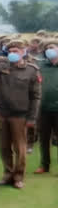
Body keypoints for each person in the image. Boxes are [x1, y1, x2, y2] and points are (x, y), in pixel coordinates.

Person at [0, 39, 41, 189]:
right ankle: (7, 174)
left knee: (20, 148)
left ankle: (18, 176)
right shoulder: (2, 67)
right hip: (3, 113)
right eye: (10, 51)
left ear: (23, 52)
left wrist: (32, 117)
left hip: (20, 115)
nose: (12, 54)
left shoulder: (31, 70)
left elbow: (35, 96)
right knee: (4, 146)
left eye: (16, 51)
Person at [35, 39, 58, 174]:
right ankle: (45, 165)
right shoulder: (41, 66)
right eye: (47, 47)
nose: (49, 49)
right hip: (43, 108)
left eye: (52, 47)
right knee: (44, 138)